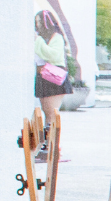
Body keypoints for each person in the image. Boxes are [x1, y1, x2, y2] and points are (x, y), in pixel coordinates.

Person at [33, 10, 73, 162]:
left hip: (53, 79)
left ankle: (53, 150)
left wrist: (38, 41)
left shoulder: (56, 38)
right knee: (46, 114)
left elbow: (53, 56)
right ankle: (46, 148)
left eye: (40, 22)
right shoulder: (42, 38)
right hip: (43, 78)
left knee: (52, 114)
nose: (37, 25)